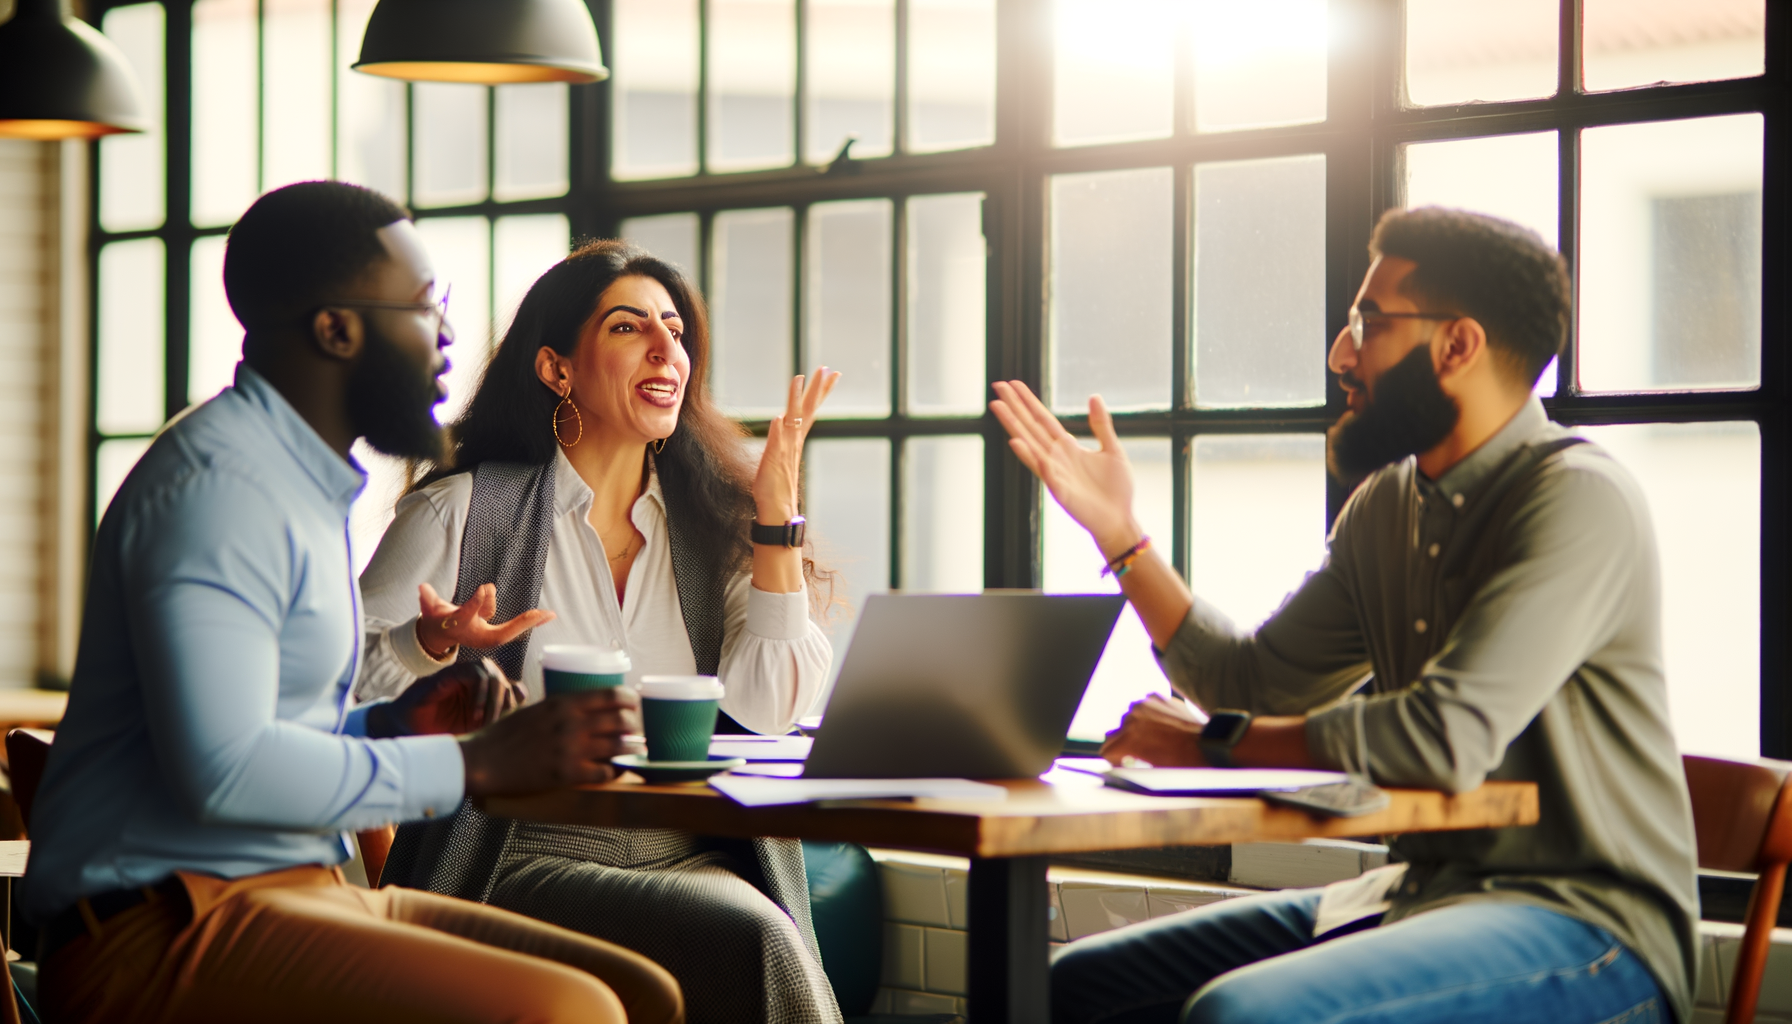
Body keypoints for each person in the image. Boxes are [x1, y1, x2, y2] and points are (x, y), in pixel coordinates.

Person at [991, 207, 1698, 1024]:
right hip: (1419, 896)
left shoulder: (1578, 500)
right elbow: (1250, 680)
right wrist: (1120, 533)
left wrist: (1213, 742)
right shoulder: (1387, 507)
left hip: (1594, 930)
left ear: (1457, 344)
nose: (1340, 355)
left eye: (1369, 321)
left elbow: (1442, 737)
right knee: (1067, 987)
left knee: (1241, 1015)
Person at [22, 181, 685, 1024]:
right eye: (421, 307)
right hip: (160, 928)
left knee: (645, 994)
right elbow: (223, 775)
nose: (446, 334)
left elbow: (268, 734)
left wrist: (394, 725)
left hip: (291, 889)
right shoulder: (223, 487)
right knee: (570, 1010)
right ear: (336, 329)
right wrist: (478, 764)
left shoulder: (298, 482)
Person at [355, 238, 845, 1024]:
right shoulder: (460, 514)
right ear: (556, 369)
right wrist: (431, 642)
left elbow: (770, 705)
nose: (665, 348)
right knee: (754, 939)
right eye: (628, 328)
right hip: (512, 859)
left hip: (689, 851)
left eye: (675, 330)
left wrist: (775, 518)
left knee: (747, 931)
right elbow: (331, 691)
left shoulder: (719, 525)